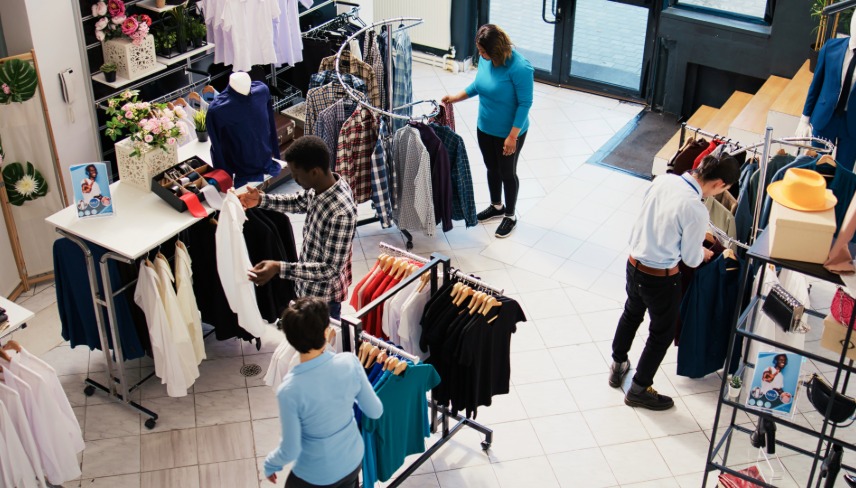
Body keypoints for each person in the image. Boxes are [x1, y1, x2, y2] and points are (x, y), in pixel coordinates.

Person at [608, 154, 740, 410]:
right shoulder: (696, 207)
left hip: (634, 263)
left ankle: (617, 365)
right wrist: (704, 252)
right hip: (661, 279)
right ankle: (639, 388)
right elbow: (691, 259)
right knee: (661, 333)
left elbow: (659, 219)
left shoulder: (664, 181)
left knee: (631, 313)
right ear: (720, 184)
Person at [264, 297, 383, 487]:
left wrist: (271, 465)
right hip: (352, 459)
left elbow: (290, 448)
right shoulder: (349, 362)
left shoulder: (288, 390)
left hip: (315, 474)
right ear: (327, 332)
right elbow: (375, 411)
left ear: (290, 340)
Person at [239, 136, 357, 320]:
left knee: (321, 346)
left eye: (296, 175)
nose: (294, 179)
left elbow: (330, 269)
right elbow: (298, 202)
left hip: (323, 300)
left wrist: (279, 267)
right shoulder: (320, 187)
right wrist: (261, 200)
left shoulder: (341, 212)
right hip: (306, 287)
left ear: (314, 172)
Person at [441, 24, 534, 238]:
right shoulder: (485, 59)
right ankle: (496, 206)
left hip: (509, 133)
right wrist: (456, 97)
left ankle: (510, 215)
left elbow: (525, 103)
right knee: (492, 167)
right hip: (485, 127)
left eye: (484, 52)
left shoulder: (520, 68)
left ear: (496, 49)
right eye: (480, 51)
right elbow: (479, 85)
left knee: (507, 172)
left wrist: (512, 136)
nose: (480, 56)